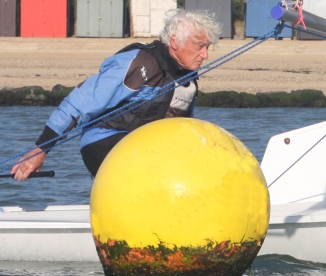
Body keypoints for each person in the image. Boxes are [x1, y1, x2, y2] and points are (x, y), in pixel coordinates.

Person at [11, 8, 221, 181]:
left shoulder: (188, 79)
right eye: (200, 46)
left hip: (148, 147)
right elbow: (77, 104)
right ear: (175, 41)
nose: (205, 55)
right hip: (102, 142)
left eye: (207, 47)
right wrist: (40, 150)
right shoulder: (138, 63)